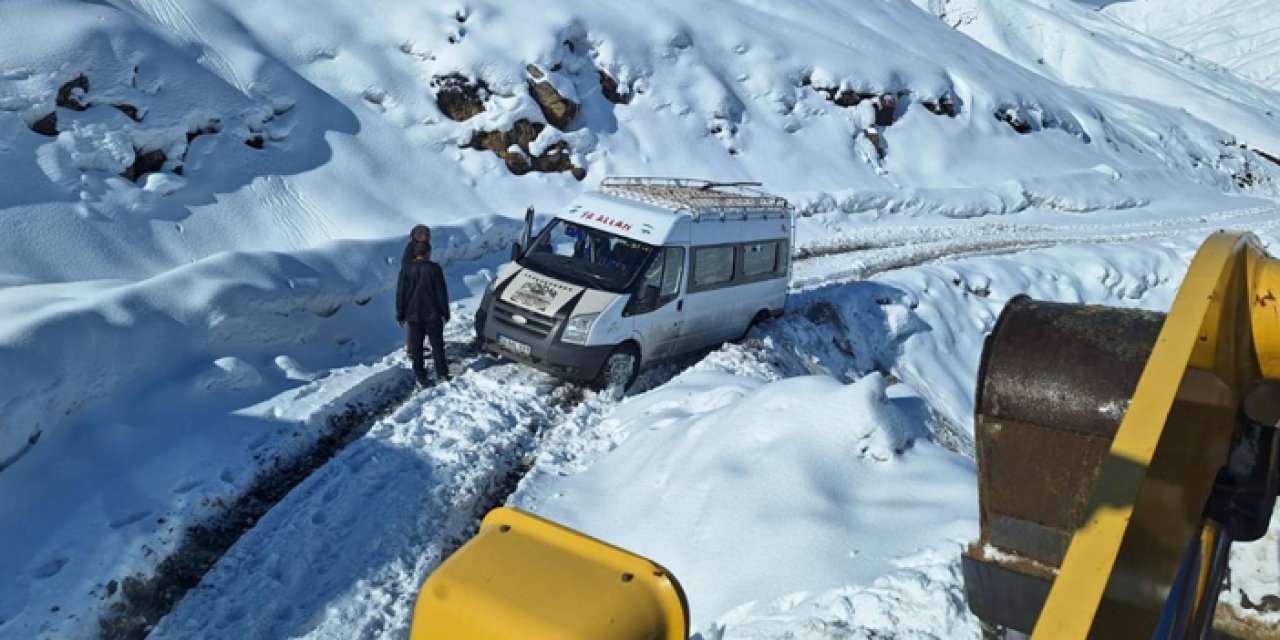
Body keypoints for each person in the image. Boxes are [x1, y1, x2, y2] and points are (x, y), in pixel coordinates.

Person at [396, 241, 451, 387]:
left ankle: (420, 375)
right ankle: (442, 373)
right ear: (428, 253)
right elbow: (441, 293)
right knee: (437, 345)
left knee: (417, 346)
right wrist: (445, 313)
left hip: (413, 314)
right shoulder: (434, 269)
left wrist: (400, 314)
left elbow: (401, 293)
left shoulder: (406, 269)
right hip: (432, 314)